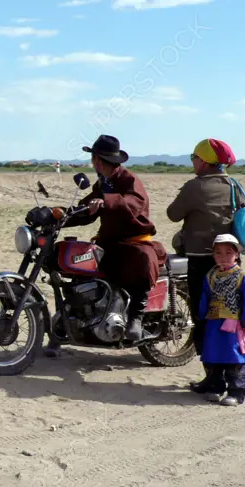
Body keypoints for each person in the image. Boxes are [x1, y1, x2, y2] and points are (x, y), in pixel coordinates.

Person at [56, 134, 166, 342]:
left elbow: (134, 203)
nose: (92, 163)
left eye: (93, 159)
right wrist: (59, 215)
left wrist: (108, 201)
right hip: (109, 241)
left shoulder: (129, 179)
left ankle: (136, 319)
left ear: (97, 159)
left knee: (143, 259)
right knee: (80, 262)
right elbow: (86, 209)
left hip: (134, 240)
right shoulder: (103, 183)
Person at [166, 138, 238, 392]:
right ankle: (231, 379)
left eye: (194, 157)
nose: (193, 162)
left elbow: (173, 213)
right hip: (230, 264)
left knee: (203, 317)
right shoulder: (233, 186)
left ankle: (214, 379)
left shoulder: (195, 187)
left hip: (200, 262)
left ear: (205, 161)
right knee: (227, 318)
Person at [197, 233, 245, 406]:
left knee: (234, 359)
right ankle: (216, 388)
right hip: (213, 323)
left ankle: (236, 392)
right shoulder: (210, 276)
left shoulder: (242, 277)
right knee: (213, 357)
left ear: (237, 255)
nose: (223, 257)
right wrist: (201, 316)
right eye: (218, 253)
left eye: (228, 252)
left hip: (233, 325)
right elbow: (205, 297)